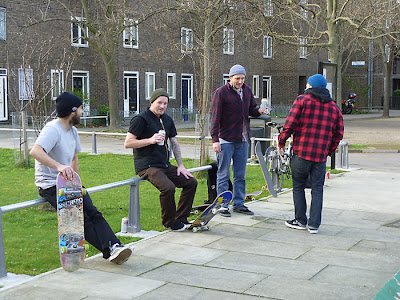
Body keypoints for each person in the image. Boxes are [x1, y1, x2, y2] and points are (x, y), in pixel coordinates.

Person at [30, 92, 132, 264]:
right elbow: (35, 151)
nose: (83, 112)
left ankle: (115, 246)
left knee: (94, 212)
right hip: (50, 184)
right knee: (80, 219)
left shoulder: (73, 131)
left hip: (69, 183)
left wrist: (76, 181)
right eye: (80, 109)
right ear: (72, 111)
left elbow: (74, 158)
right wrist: (59, 167)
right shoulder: (52, 129)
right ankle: (109, 250)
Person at [124, 88, 198, 231]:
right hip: (147, 166)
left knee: (191, 182)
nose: (162, 106)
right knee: (168, 188)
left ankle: (181, 218)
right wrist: (150, 140)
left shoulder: (167, 119)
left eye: (165, 103)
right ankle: (170, 222)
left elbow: (174, 143)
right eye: (159, 103)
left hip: (164, 165)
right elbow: (128, 143)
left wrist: (181, 165)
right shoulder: (140, 119)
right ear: (152, 102)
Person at [278, 74, 344, 234]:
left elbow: (290, 124)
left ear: (310, 86)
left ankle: (300, 220)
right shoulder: (334, 107)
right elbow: (339, 133)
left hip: (301, 152)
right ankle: (314, 225)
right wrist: (329, 150)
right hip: (320, 156)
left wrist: (281, 141)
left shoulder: (302, 100)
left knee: (298, 186)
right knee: (317, 189)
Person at [210, 64, 269, 217]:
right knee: (223, 174)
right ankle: (222, 205)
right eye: (237, 78)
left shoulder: (247, 90)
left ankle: (239, 203)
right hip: (226, 139)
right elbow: (215, 118)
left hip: (242, 139)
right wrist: (215, 139)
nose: (240, 81)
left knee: (240, 175)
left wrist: (259, 112)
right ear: (230, 78)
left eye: (242, 78)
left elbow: (251, 109)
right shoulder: (221, 93)